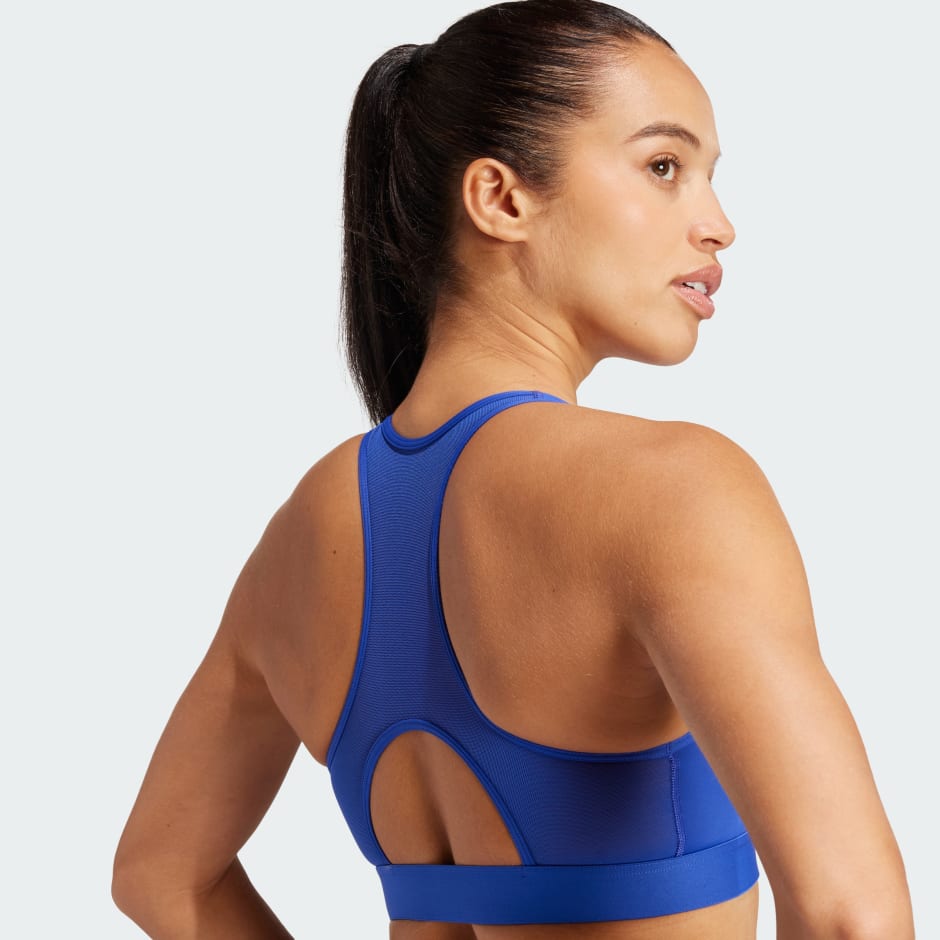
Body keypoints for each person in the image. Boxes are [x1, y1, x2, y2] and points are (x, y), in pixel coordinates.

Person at [111, 1, 915, 937]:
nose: (719, 225)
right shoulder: (675, 492)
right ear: (500, 199)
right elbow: (851, 917)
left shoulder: (303, 532)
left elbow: (161, 877)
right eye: (664, 167)